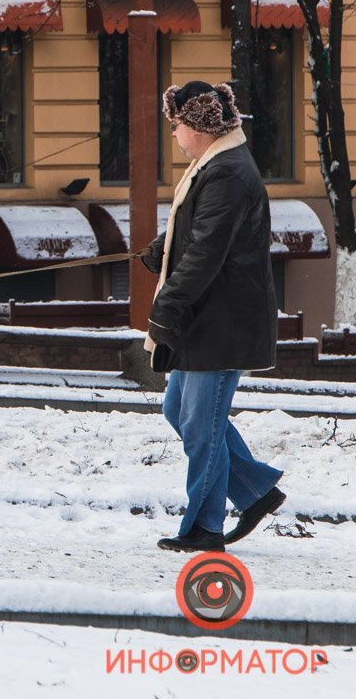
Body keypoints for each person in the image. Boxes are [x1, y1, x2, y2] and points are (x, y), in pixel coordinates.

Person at [141, 81, 286, 553]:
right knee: (178, 410)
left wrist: (166, 307)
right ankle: (255, 491)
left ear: (199, 127)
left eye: (177, 125)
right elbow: (202, 232)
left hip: (221, 323)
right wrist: (164, 250)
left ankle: (204, 527)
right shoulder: (218, 165)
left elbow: (206, 253)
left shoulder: (226, 173)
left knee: (202, 424)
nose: (175, 134)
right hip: (210, 318)